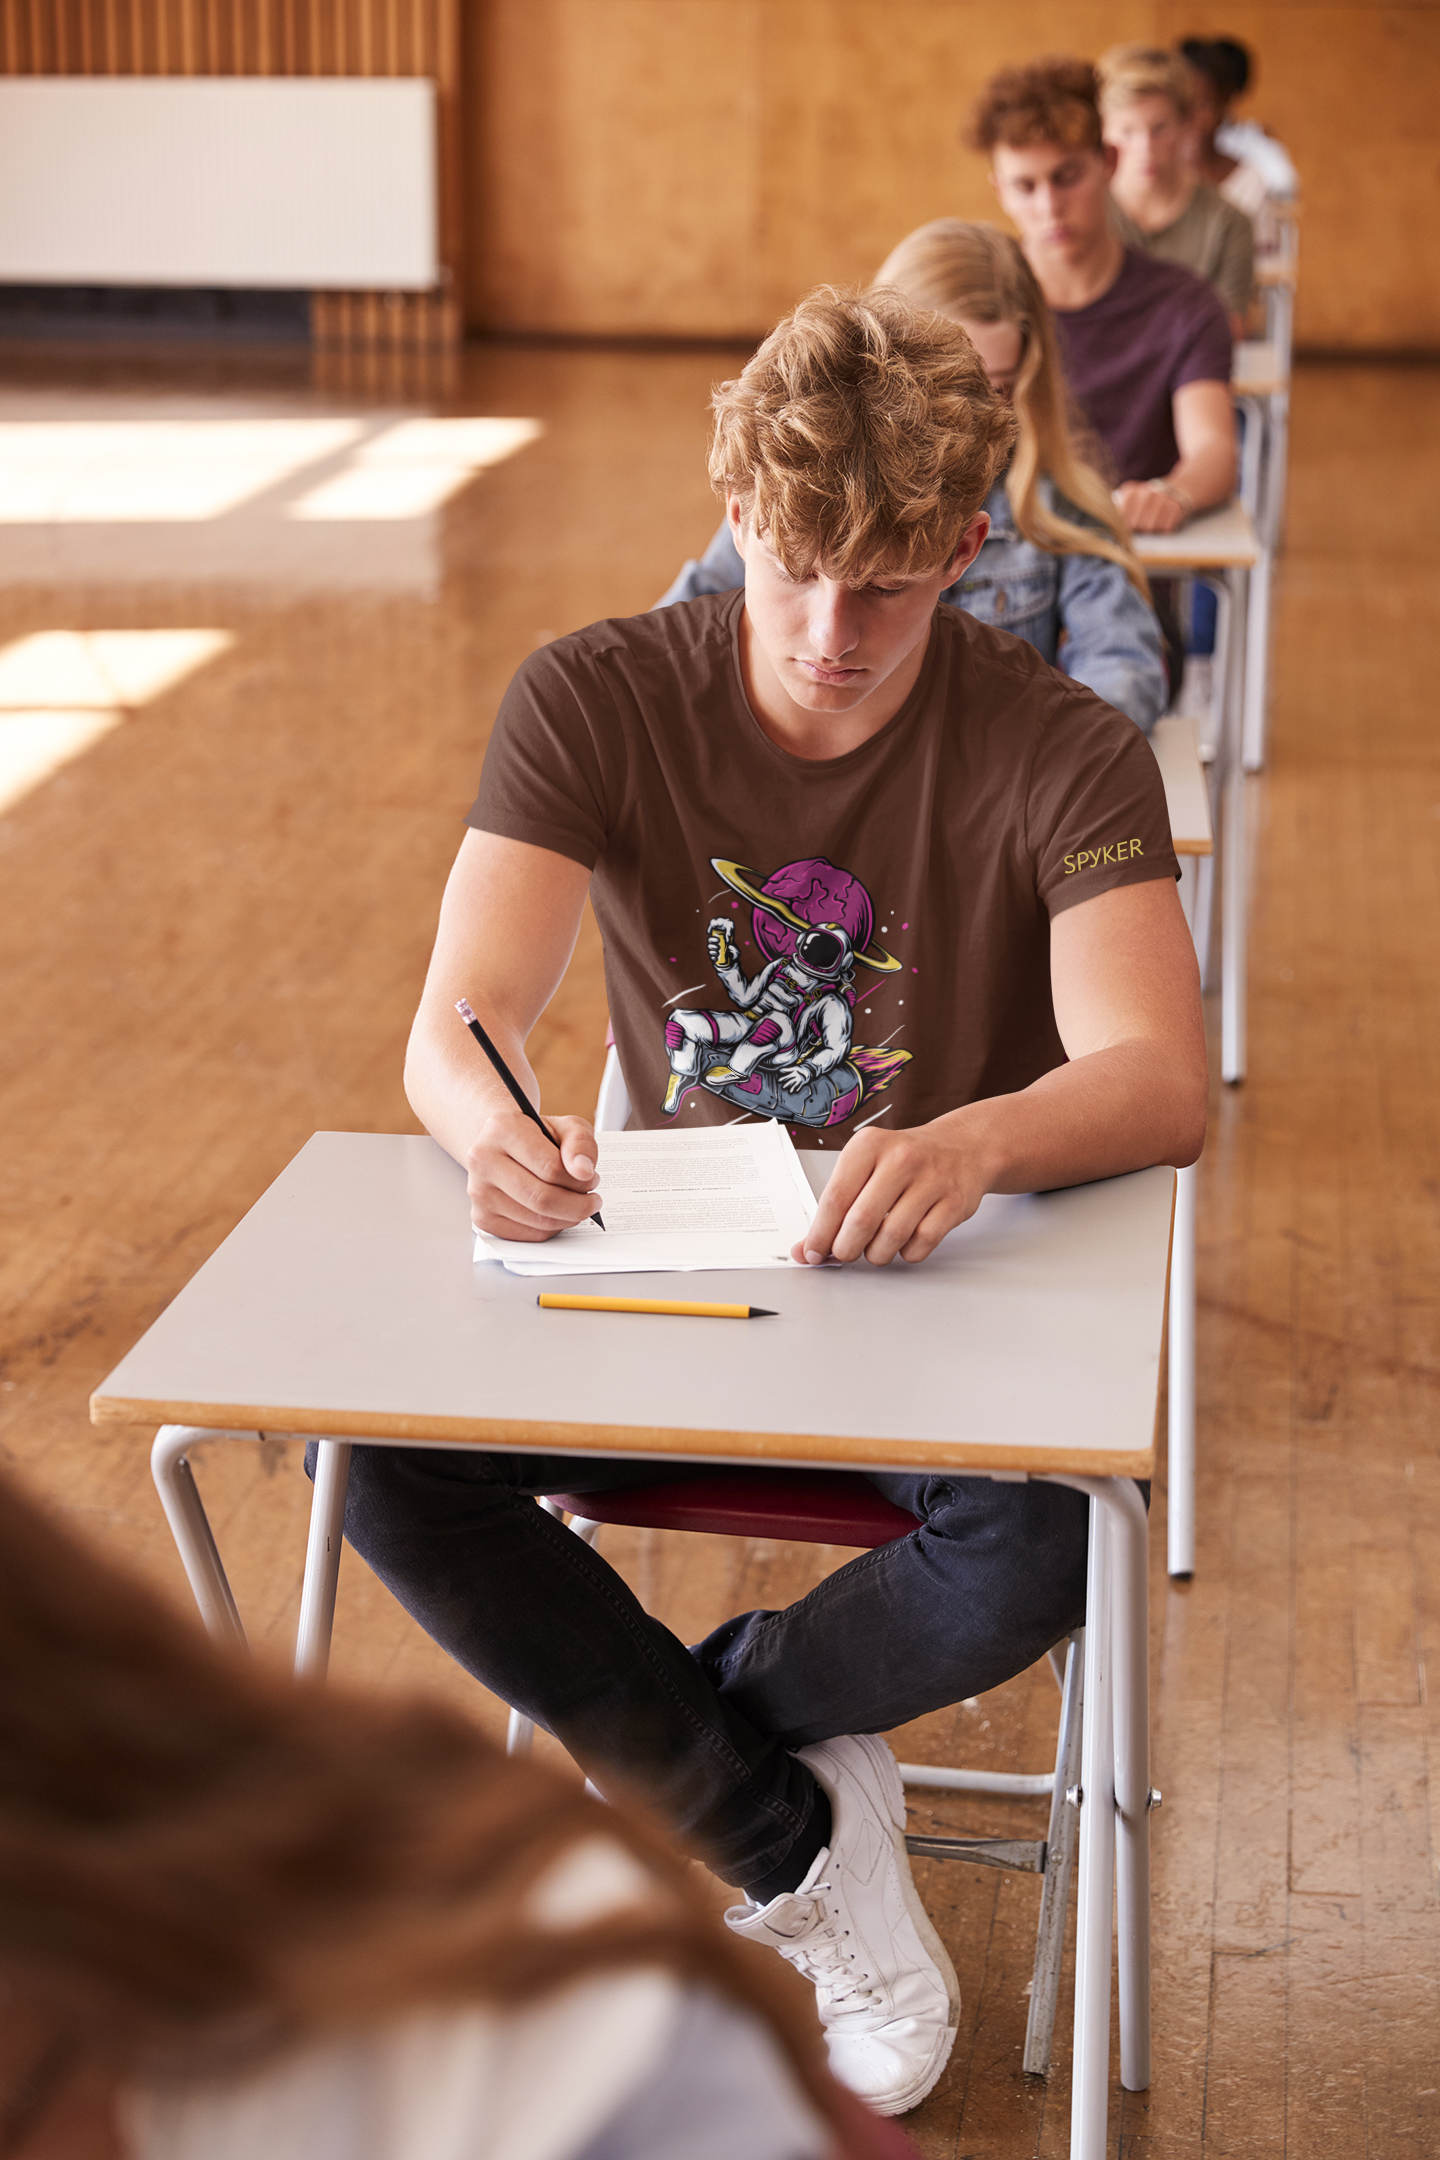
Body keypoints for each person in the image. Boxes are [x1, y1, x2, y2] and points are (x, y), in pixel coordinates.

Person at [339, 287, 1207, 2119]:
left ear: (967, 550)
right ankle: (789, 1833)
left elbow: (1157, 1078)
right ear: (735, 513)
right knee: (383, 1466)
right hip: (674, 1275)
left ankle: (714, 1729)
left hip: (928, 1297)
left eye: (889, 585)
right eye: (797, 567)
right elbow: (456, 1024)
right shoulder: (595, 689)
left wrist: (976, 1139)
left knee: (1044, 1542)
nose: (830, 631)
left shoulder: (1061, 743)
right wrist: (479, 1121)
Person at [0, 1462, 910, 2160]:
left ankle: (703, 1780)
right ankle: (762, 1811)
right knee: (371, 1468)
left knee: (1029, 1545)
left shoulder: (549, 2067)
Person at [660, 220, 1166, 731]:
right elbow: (674, 642)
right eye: (939, 387)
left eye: (992, 390)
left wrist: (1018, 761)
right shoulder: (804, 485)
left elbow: (1123, 669)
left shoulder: (1053, 502)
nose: (966, 420)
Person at [969, 56, 1236, 537]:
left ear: (1108, 163)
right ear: (1000, 192)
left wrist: (1172, 493)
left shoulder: (1185, 306)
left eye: (1067, 177)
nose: (1049, 207)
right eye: (1026, 186)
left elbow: (1213, 449)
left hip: (1131, 556)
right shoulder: (975, 305)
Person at [1097, 43, 1254, 332]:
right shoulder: (1083, 209)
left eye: (1160, 129)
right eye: (1127, 131)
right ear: (1103, 130)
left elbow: (1225, 333)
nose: (1145, 149)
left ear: (1187, 123)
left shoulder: (1229, 224)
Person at [1179, 34, 1298, 247]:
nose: (1193, 117)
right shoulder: (1158, 157)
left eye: (1204, 105)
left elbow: (1284, 188)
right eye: (1185, 104)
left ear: (1226, 99)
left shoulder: (1255, 154)